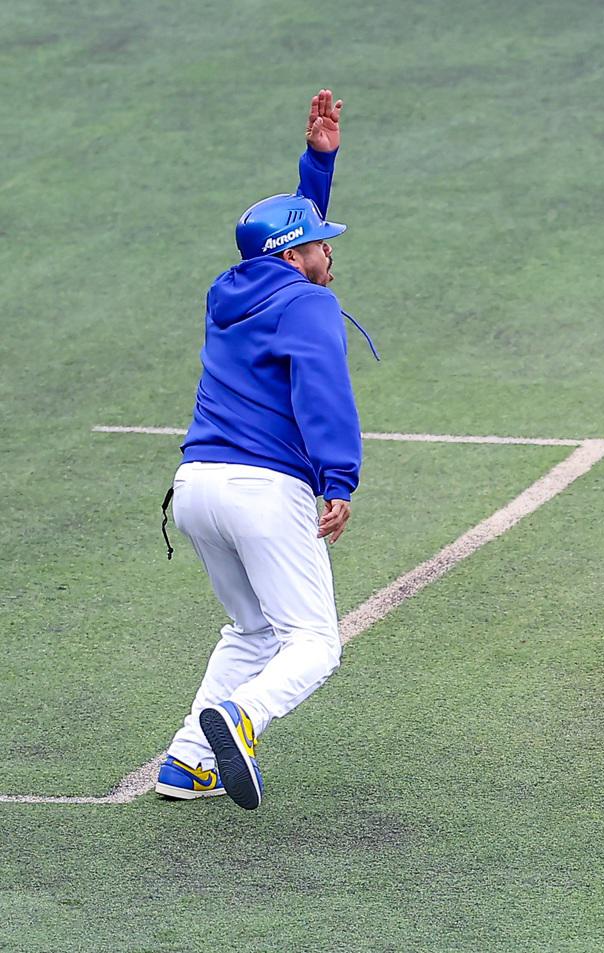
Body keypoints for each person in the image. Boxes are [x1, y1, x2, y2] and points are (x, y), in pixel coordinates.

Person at [154, 90, 375, 810]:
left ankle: (189, 760)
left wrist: (319, 163)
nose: (330, 252)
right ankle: (243, 717)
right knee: (314, 643)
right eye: (321, 242)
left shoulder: (230, 289)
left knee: (252, 628)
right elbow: (323, 394)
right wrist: (339, 477)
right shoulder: (308, 304)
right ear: (293, 254)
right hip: (261, 492)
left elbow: (280, 245)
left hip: (194, 488)